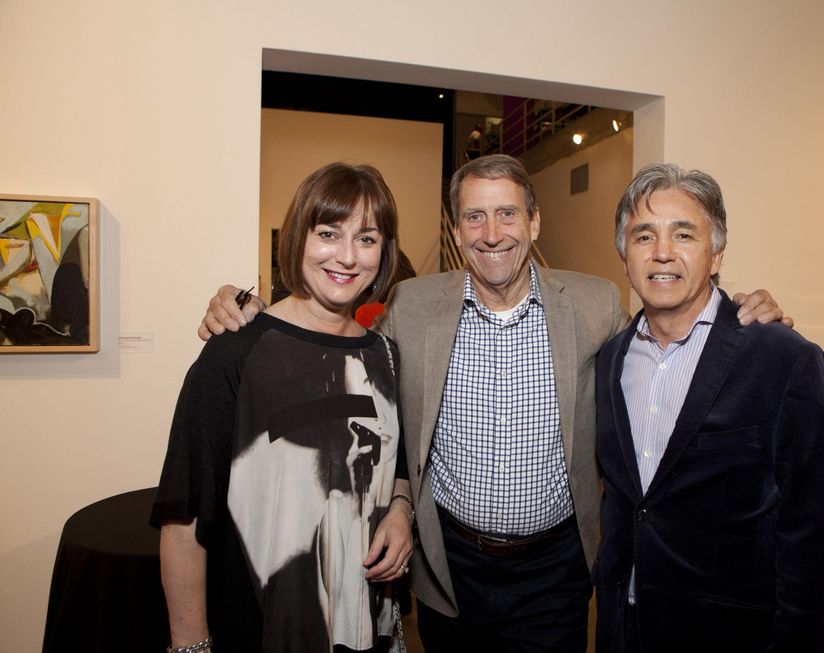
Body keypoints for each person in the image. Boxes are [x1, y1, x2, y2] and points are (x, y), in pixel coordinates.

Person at [199, 154, 788, 652]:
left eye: (507, 213)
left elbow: (667, 334)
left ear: (533, 221)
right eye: (473, 216)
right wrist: (244, 306)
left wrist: (740, 312)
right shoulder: (411, 304)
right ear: (456, 231)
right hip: (449, 565)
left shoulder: (594, 304)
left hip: (556, 566)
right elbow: (342, 351)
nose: (491, 232)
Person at [151, 163, 414, 653]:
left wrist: (400, 509)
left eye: (367, 238)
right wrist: (190, 646)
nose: (347, 256)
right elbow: (184, 516)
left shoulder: (386, 357)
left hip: (367, 626)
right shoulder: (237, 352)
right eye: (329, 233)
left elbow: (394, 463)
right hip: (262, 628)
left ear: (385, 252)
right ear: (298, 238)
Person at [594, 164, 824, 652]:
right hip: (624, 627)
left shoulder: (786, 360)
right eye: (643, 235)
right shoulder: (611, 360)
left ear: (716, 255)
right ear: (625, 256)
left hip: (729, 634)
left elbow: (819, 536)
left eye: (684, 234)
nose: (662, 252)